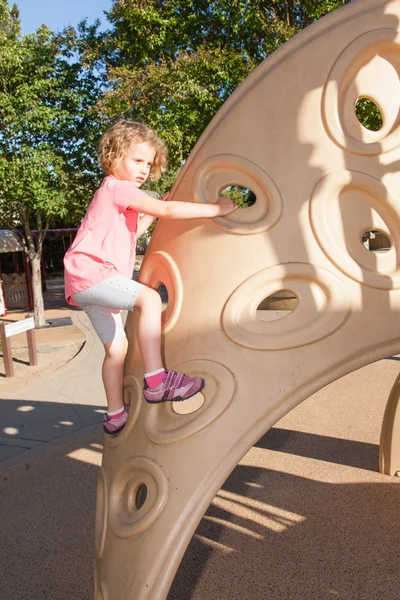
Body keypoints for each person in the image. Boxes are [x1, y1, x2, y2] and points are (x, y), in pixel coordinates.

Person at [64, 119, 239, 435]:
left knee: (116, 349)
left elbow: (140, 228)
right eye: (137, 160)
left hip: (84, 283)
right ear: (115, 157)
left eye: (148, 163)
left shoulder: (118, 199)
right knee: (148, 299)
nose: (144, 169)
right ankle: (157, 381)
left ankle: (115, 413)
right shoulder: (119, 188)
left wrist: (157, 210)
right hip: (94, 274)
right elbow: (168, 213)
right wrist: (216, 209)